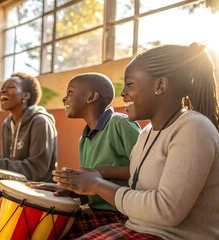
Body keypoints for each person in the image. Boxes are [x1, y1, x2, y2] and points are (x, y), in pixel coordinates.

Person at [52, 43, 219, 239]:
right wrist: (80, 187)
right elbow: (136, 188)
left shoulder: (194, 128)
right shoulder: (146, 133)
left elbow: (166, 211)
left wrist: (97, 185)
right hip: (139, 226)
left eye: (129, 84)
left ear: (160, 85)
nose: (122, 93)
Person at [29, 72, 141, 239]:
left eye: (70, 92)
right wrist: (70, 189)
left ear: (91, 97)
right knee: (44, 228)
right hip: (96, 210)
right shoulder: (84, 138)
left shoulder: (121, 124)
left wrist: (100, 172)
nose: (64, 99)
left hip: (122, 214)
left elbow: (143, 170)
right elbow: (92, 189)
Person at [0, 72, 57, 182]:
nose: (2, 91)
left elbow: (37, 170)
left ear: (25, 96)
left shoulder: (40, 122)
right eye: (2, 88)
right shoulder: (7, 124)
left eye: (11, 87)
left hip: (38, 192)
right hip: (15, 188)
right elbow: (5, 161)